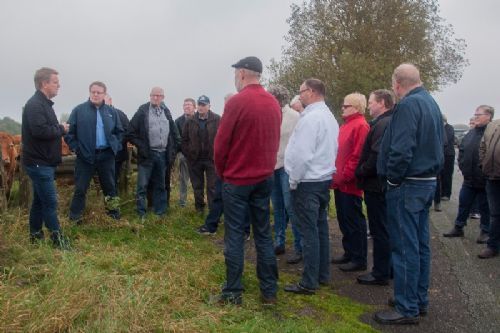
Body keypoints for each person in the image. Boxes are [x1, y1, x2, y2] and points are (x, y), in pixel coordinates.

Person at [375, 63, 443, 325]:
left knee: (404, 246)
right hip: (426, 182)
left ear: (397, 83)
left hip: (408, 183)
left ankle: (407, 307)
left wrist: (392, 178)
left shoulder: (407, 105)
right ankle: (417, 298)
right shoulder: (430, 102)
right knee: (420, 244)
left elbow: (402, 149)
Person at [213, 56, 281, 305]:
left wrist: (223, 173)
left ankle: (232, 292)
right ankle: (269, 291)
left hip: (239, 180)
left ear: (242, 74)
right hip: (264, 177)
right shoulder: (273, 102)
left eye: (235, 74)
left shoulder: (237, 102)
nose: (235, 78)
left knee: (234, 235)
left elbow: (220, 146)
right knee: (263, 234)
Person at [283, 78, 339, 295]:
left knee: (309, 233)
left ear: (313, 91)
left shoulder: (311, 118)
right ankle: (322, 274)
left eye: (302, 91)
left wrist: (293, 180)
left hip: (307, 182)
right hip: (323, 179)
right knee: (320, 229)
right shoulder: (328, 116)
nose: (300, 95)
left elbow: (302, 154)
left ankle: (309, 281)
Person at [22, 67, 70, 248]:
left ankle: (35, 236)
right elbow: (40, 131)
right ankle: (58, 241)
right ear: (44, 84)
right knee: (50, 202)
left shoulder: (44, 104)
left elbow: (43, 128)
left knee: (39, 201)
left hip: (42, 162)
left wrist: (58, 127)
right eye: (55, 82)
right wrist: (61, 129)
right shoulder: (35, 105)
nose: (59, 86)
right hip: (38, 163)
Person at [66, 81, 123, 222]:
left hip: (106, 155)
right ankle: (75, 217)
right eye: (93, 92)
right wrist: (77, 148)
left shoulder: (111, 112)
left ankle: (114, 215)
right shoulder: (79, 110)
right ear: (89, 93)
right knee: (80, 188)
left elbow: (120, 131)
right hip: (85, 157)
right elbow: (69, 133)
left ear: (104, 94)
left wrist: (114, 147)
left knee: (110, 187)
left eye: (99, 92)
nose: (96, 94)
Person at [355, 89, 395, 285]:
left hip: (376, 185)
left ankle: (380, 272)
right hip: (379, 184)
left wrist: (361, 170)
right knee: (384, 228)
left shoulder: (383, 124)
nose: (369, 106)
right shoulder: (386, 122)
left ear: (382, 103)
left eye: (371, 102)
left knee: (380, 230)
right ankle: (389, 268)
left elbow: (376, 155)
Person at [442, 105, 493, 244]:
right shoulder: (471, 133)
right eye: (475, 114)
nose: (475, 117)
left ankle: (485, 231)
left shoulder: (491, 133)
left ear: (488, 116)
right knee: (464, 203)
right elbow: (462, 150)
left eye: (478, 115)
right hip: (469, 177)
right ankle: (458, 227)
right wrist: (463, 167)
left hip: (484, 178)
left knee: (485, 206)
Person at [331, 93, 370, 272]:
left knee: (354, 220)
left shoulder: (361, 125)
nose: (342, 108)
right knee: (343, 218)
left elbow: (357, 155)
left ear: (356, 107)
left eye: (346, 106)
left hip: (350, 183)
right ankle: (349, 251)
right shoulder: (346, 125)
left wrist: (346, 175)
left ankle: (359, 257)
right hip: (341, 182)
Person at [128, 87, 179, 219]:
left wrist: (172, 151)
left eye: (159, 95)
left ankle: (160, 212)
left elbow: (173, 133)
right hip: (147, 155)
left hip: (162, 155)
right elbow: (130, 132)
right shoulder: (143, 110)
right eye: (153, 95)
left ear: (163, 97)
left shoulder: (166, 111)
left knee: (160, 185)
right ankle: (141, 213)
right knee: (142, 185)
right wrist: (142, 147)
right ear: (150, 96)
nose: (156, 98)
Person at [267, 85, 303, 264]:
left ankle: (299, 247)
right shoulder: (268, 114)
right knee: (278, 207)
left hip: (288, 167)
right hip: (272, 166)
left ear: (278, 98)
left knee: (291, 207)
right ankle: (279, 241)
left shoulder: (295, 116)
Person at [181, 95, 220, 213]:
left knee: (212, 186)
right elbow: (184, 140)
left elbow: (223, 138)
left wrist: (217, 154)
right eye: (199, 105)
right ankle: (199, 209)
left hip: (211, 159)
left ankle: (213, 211)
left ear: (209, 106)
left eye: (204, 105)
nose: (201, 107)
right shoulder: (190, 121)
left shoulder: (217, 119)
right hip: (195, 159)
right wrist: (189, 154)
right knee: (197, 186)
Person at [478, 114, 500, 258]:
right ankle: (493, 246)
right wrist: (484, 164)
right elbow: (483, 146)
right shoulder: (493, 125)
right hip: (492, 177)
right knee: (495, 214)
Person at [104, 94, 130, 193]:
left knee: (113, 179)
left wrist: (116, 145)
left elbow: (127, 131)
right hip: (101, 154)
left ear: (110, 100)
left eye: (104, 100)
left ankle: (113, 202)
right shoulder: (96, 114)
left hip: (117, 154)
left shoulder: (119, 114)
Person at [174, 98, 196, 207]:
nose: (187, 106)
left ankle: (199, 201)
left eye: (189, 105)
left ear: (194, 107)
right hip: (184, 153)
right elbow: (178, 140)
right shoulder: (178, 121)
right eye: (185, 104)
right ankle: (182, 201)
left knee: (198, 179)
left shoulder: (200, 119)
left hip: (198, 155)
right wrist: (186, 152)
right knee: (183, 178)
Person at [441, 114, 456, 200]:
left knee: (447, 175)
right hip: (442, 154)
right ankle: (440, 193)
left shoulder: (449, 128)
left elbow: (445, 140)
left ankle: (446, 194)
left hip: (448, 155)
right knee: (441, 175)